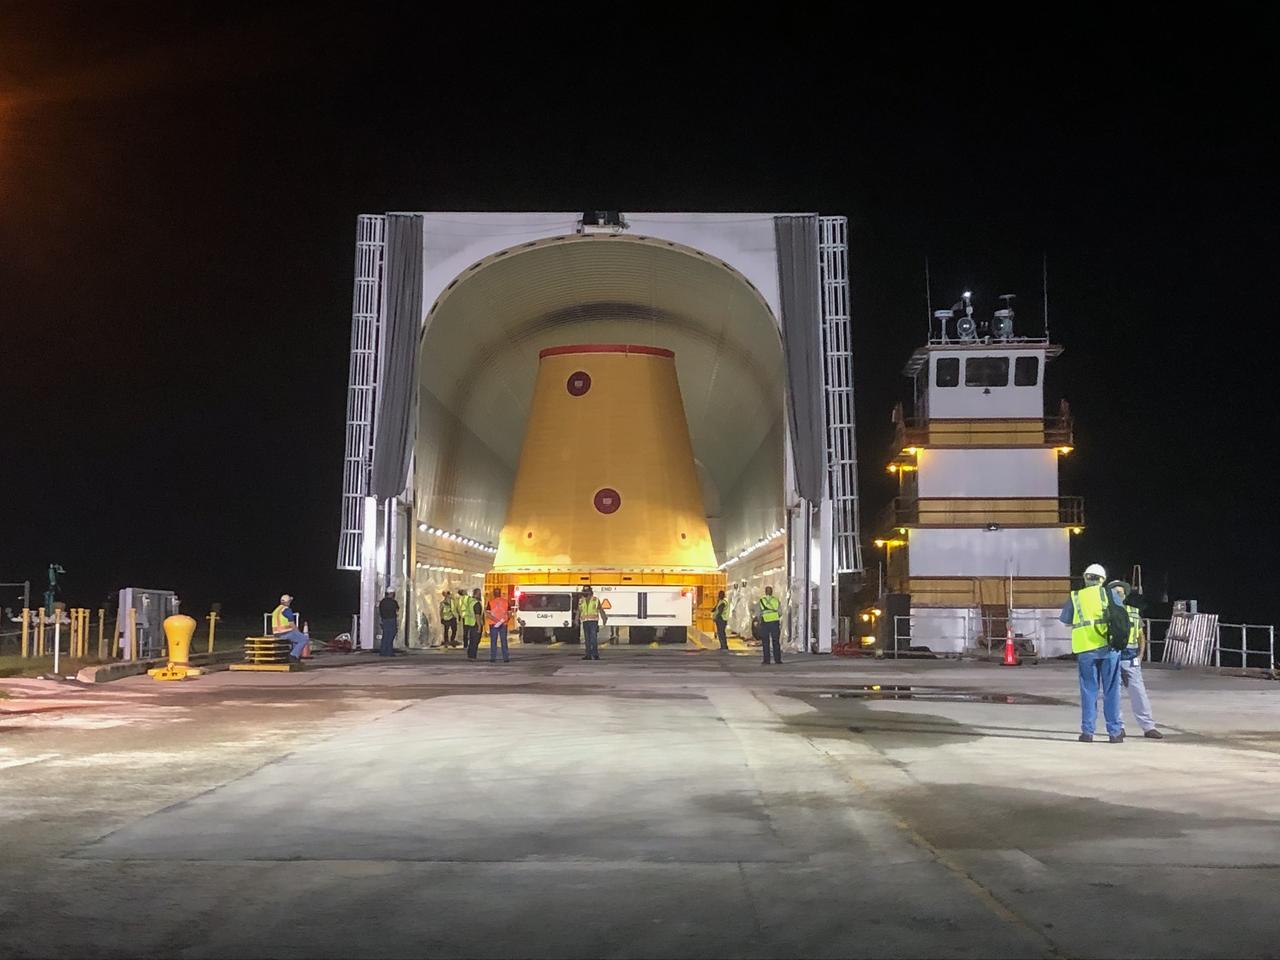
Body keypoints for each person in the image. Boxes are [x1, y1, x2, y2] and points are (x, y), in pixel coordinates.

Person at [1060, 563, 1124, 742]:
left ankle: (1088, 732)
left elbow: (1066, 621)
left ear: (1085, 578)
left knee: (1089, 691)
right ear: (1103, 579)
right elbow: (1121, 617)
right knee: (1112, 691)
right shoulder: (1109, 594)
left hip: (1085, 649)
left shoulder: (1075, 596)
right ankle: (1114, 732)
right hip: (1109, 648)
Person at [1111, 581, 1164, 739]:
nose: (1118, 595)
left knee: (1139, 694)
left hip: (1130, 658)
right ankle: (1118, 726)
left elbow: (1141, 636)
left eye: (1120, 592)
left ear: (1125, 595)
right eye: (1115, 592)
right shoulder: (1105, 612)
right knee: (1113, 695)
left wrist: (1140, 656)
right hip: (1112, 658)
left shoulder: (1134, 612)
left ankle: (1148, 727)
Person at [271, 593, 309, 661]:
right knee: (303, 639)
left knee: (296, 639)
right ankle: (293, 655)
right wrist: (298, 632)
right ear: (288, 602)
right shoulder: (287, 610)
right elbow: (292, 624)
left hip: (276, 634)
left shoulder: (276, 610)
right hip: (285, 633)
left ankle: (294, 655)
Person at [578, 586, 606, 661]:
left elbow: (600, 609)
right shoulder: (581, 600)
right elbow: (579, 611)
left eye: (586, 591)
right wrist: (576, 620)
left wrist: (604, 618)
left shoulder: (595, 600)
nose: (585, 593)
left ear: (590, 592)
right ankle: (588, 655)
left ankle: (595, 655)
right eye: (584, 591)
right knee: (587, 639)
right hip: (585, 622)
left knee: (593, 639)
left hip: (593, 622)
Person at [758, 586, 782, 665]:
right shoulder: (776, 600)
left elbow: (758, 612)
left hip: (765, 622)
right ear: (772, 592)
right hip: (774, 622)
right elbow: (780, 612)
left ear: (765, 592)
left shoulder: (761, 600)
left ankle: (766, 660)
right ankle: (777, 660)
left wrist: (759, 620)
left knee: (765, 642)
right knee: (776, 641)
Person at [486, 587, 510, 663]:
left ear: (493, 594)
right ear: (500, 593)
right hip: (503, 624)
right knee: (504, 641)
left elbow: (488, 614)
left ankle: (493, 658)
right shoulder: (506, 602)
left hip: (493, 624)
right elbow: (509, 614)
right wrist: (504, 620)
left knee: (493, 641)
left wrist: (496, 621)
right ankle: (505, 658)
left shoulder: (490, 602)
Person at [378, 589, 399, 657]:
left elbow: (380, 611)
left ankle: (383, 651)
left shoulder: (382, 602)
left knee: (385, 635)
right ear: (391, 593)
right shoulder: (393, 602)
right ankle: (389, 652)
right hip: (392, 620)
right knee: (391, 635)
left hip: (384, 620)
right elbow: (397, 609)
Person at [463, 588, 483, 659]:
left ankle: (470, 654)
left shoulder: (469, 601)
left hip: (469, 623)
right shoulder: (476, 604)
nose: (480, 595)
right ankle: (473, 656)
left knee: (471, 640)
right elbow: (477, 615)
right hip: (475, 623)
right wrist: (479, 626)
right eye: (479, 593)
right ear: (477, 594)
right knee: (475, 641)